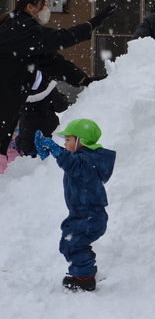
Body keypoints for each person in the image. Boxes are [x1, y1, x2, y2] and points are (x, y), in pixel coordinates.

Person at [0, 0, 116, 159]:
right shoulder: (21, 28)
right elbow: (61, 38)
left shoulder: (21, 29)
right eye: (44, 4)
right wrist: (92, 23)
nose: (47, 9)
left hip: (8, 102)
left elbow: (51, 61)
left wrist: (83, 80)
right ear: (30, 7)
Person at [33, 119, 116, 291]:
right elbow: (73, 164)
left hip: (89, 214)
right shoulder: (86, 159)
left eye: (68, 140)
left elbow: (73, 164)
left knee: (74, 245)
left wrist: (56, 150)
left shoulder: (85, 161)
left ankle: (84, 280)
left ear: (81, 141)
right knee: (71, 243)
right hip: (83, 213)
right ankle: (87, 272)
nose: (65, 143)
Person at [15, 74, 69, 157]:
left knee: (29, 162)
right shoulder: (49, 88)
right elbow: (61, 106)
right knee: (47, 162)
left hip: (27, 137)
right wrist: (61, 96)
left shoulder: (20, 89)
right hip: (47, 136)